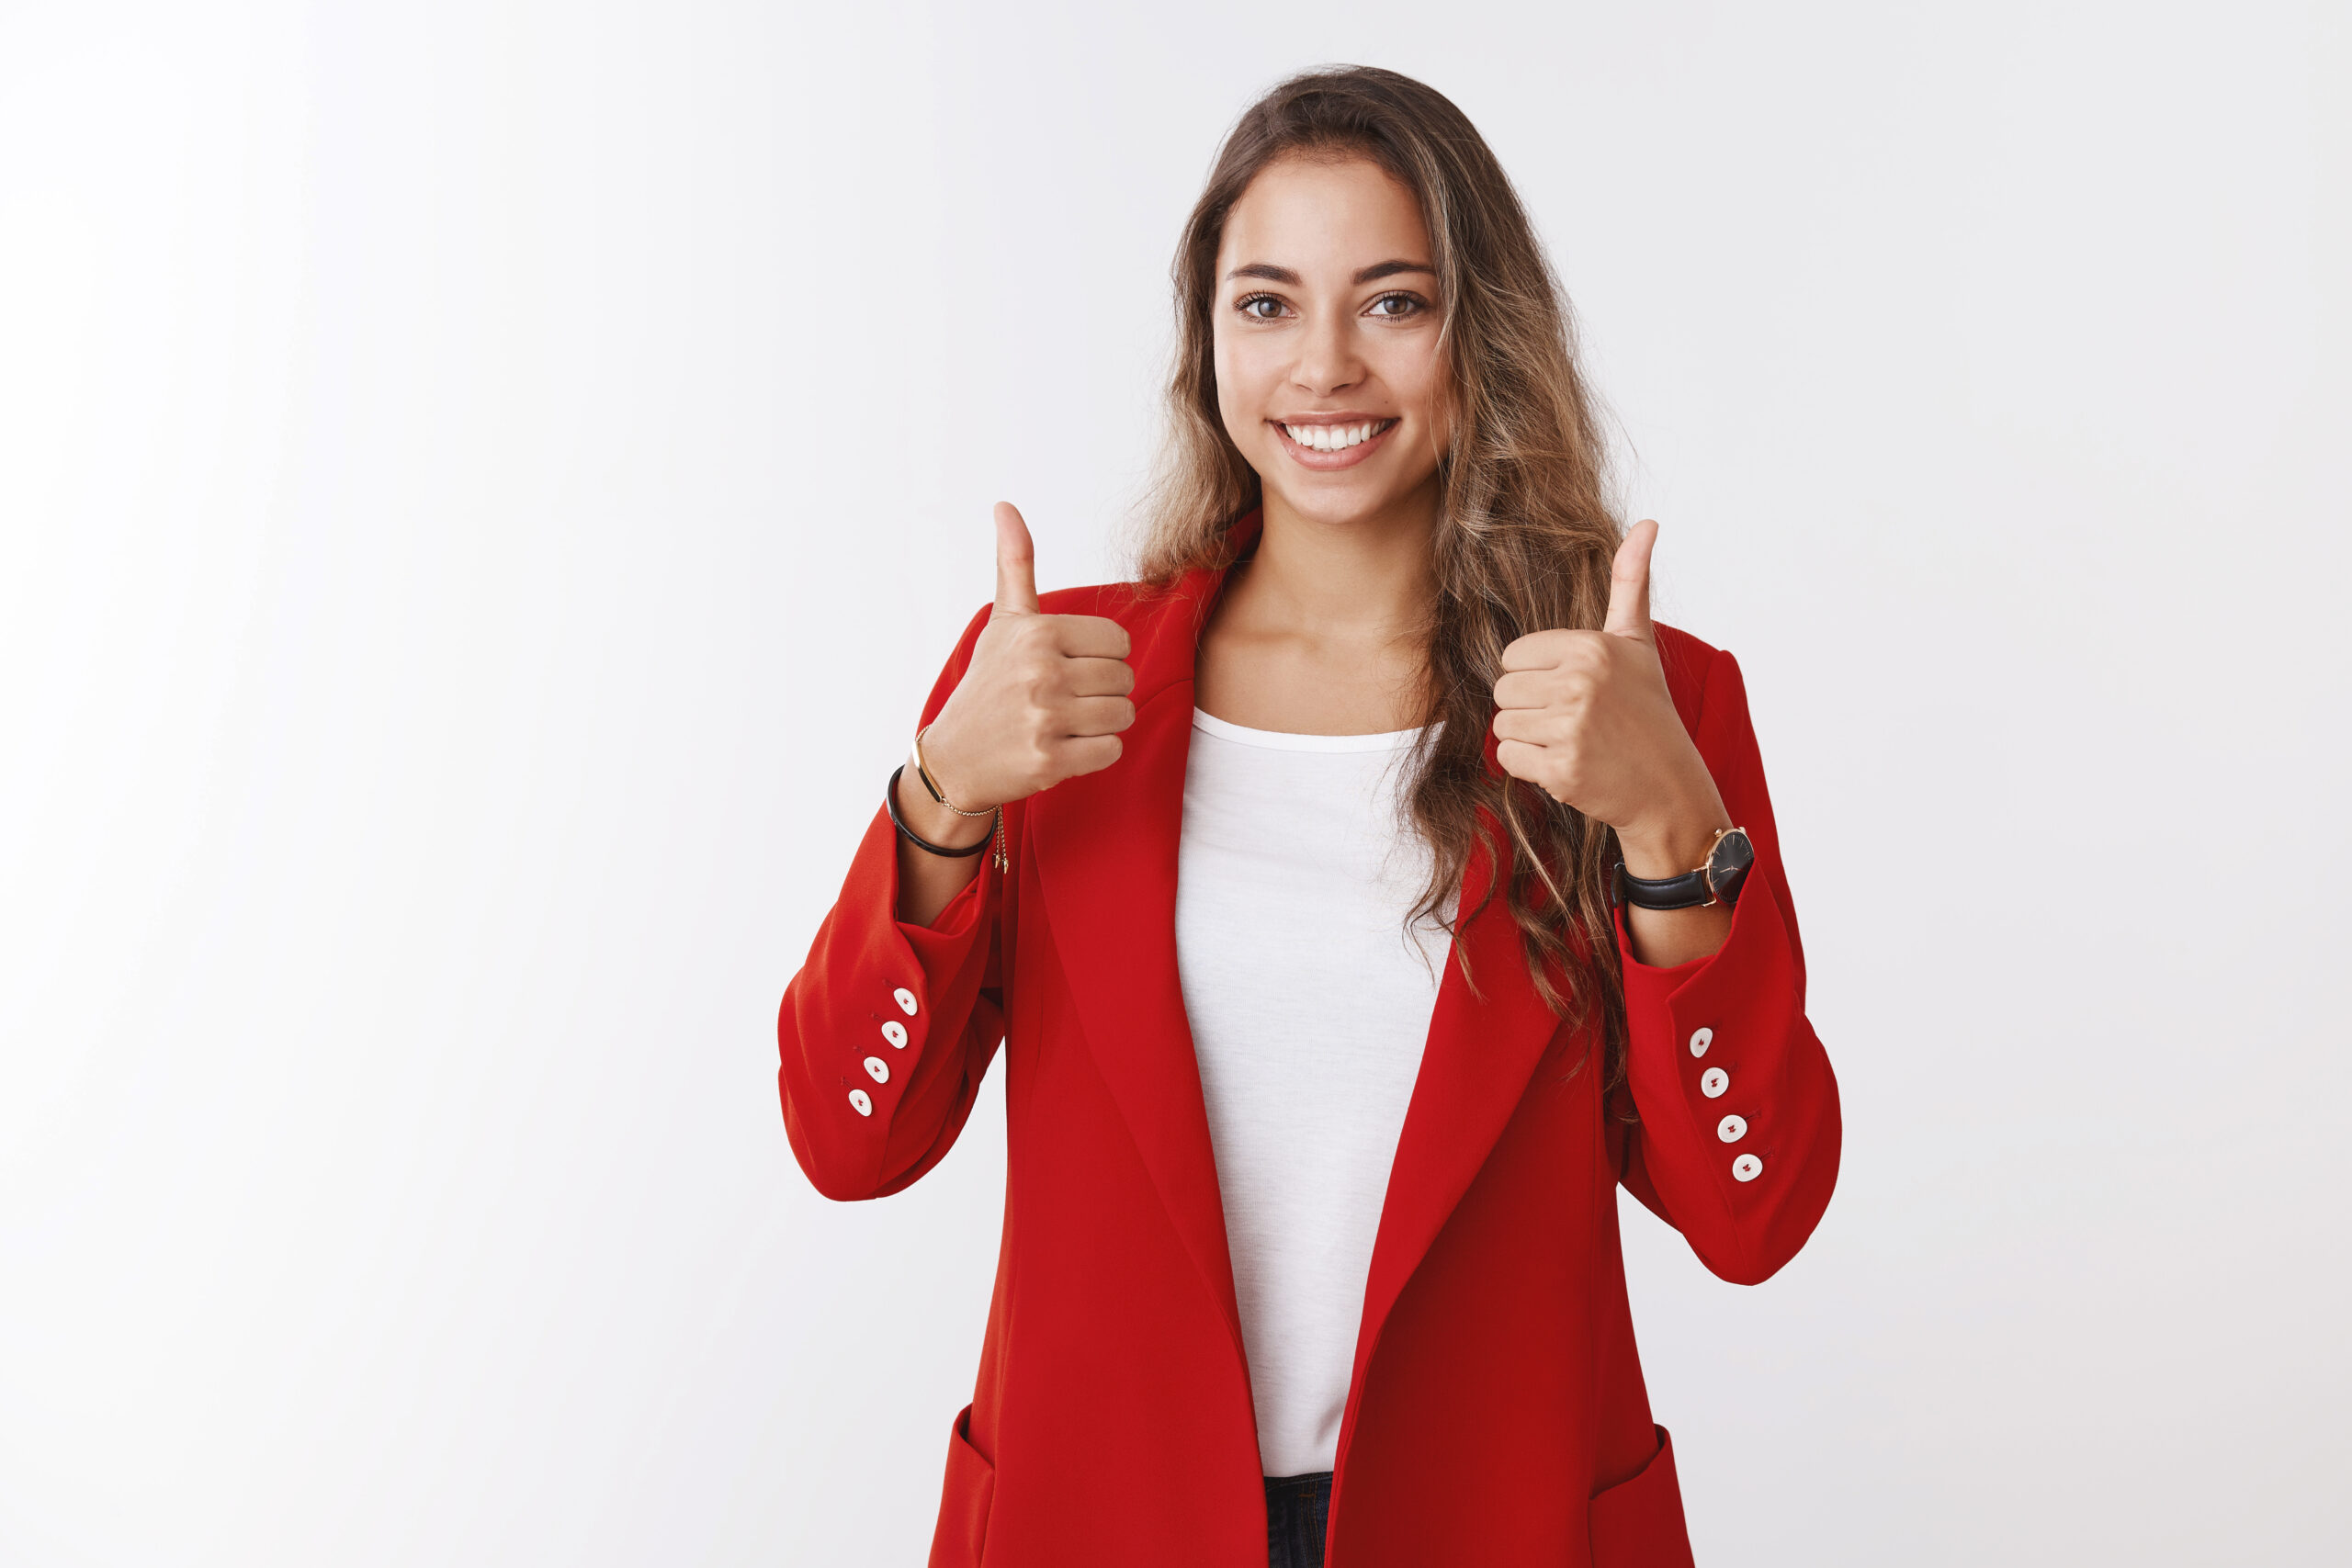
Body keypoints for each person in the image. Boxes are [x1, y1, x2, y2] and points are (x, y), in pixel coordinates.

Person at [777, 64, 1839, 1568]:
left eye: (1393, 302)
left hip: (1505, 1526)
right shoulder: (1053, 687)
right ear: (1205, 341)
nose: (1324, 364)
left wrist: (1673, 836)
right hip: (1101, 1522)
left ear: (1480, 334)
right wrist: (942, 798)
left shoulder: (1639, 711)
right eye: (1266, 305)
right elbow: (848, 1139)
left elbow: (1757, 1216)